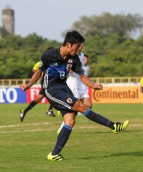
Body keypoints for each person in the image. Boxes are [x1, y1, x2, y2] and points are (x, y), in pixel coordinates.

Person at [20, 31, 129, 161]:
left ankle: (54, 154)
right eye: (77, 47)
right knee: (81, 106)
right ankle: (113, 126)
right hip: (51, 89)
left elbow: (82, 76)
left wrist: (93, 85)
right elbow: (38, 73)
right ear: (68, 44)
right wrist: (28, 85)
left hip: (64, 87)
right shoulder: (49, 55)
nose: (78, 50)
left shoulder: (74, 58)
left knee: (70, 120)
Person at [57, 52, 91, 133]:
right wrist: (73, 69)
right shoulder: (71, 55)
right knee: (74, 109)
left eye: (81, 45)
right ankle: (62, 127)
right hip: (73, 84)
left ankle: (63, 108)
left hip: (81, 85)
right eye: (79, 45)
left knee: (89, 105)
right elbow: (69, 69)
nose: (80, 47)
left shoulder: (82, 55)